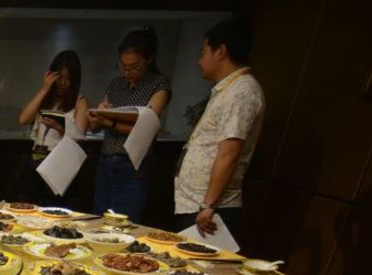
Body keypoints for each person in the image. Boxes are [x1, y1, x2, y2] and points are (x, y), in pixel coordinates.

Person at [173, 20, 263, 239]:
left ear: (221, 51)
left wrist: (208, 204)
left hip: (210, 210)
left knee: (202, 271)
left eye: (203, 52)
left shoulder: (242, 91)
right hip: (196, 204)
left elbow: (229, 153)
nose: (199, 60)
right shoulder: (228, 89)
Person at [88, 27, 171, 222]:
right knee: (98, 220)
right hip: (106, 159)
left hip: (133, 164)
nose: (128, 72)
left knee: (125, 223)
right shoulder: (116, 84)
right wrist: (97, 117)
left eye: (134, 67)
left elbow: (147, 126)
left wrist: (108, 121)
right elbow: (96, 127)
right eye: (123, 66)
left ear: (149, 59)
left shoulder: (159, 84)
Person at [16, 50, 89, 205]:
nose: (63, 83)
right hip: (36, 159)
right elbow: (23, 119)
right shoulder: (45, 97)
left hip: (58, 163)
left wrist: (60, 128)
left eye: (68, 78)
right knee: (26, 206)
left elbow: (79, 139)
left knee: (50, 208)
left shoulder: (80, 101)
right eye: (59, 77)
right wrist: (44, 88)